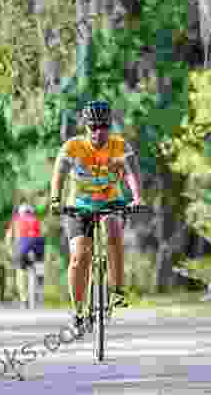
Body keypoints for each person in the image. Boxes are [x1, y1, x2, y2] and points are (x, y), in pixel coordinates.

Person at [49, 100, 144, 334]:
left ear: (110, 126)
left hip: (111, 201)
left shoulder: (119, 146)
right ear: (86, 127)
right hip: (79, 206)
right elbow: (59, 174)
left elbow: (131, 173)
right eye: (93, 127)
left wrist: (137, 197)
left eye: (104, 127)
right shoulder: (73, 147)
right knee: (80, 256)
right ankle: (79, 312)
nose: (98, 132)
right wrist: (55, 200)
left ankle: (117, 290)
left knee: (112, 227)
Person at [5, 203, 46, 308]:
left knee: (20, 270)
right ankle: (40, 286)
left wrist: (10, 251)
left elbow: (9, 237)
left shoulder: (16, 220)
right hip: (37, 243)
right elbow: (40, 234)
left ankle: (24, 299)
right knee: (39, 265)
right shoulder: (35, 220)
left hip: (23, 244)